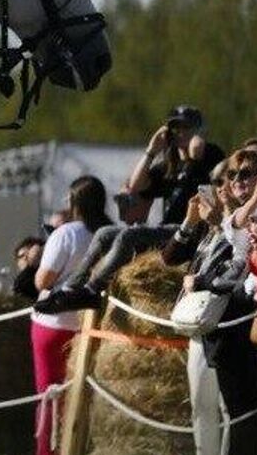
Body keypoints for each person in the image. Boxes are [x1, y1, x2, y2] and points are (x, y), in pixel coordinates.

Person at [36, 106, 228, 314]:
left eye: (186, 127)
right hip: (168, 232)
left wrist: (196, 154)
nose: (180, 133)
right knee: (104, 233)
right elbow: (135, 187)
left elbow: (218, 181)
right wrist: (151, 151)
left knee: (129, 235)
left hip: (191, 231)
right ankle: (69, 290)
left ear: (198, 131)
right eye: (175, 128)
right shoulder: (169, 163)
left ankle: (92, 290)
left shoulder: (212, 154)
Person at [166, 148, 257, 455]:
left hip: (237, 321)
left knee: (236, 404)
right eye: (228, 177)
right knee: (204, 404)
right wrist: (192, 222)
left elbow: (238, 270)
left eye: (244, 175)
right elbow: (170, 256)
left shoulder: (244, 221)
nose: (232, 183)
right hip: (207, 322)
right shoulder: (218, 227)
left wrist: (203, 281)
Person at [29, 175, 109, 455]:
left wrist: (36, 263)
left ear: (75, 203)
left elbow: (43, 281)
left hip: (53, 323)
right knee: (83, 393)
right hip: (90, 322)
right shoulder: (108, 233)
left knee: (48, 395)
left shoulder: (66, 234)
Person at [11, 237, 45, 303]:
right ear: (17, 263)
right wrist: (31, 265)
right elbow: (21, 288)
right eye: (22, 256)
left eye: (30, 254)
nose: (27, 258)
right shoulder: (20, 283)